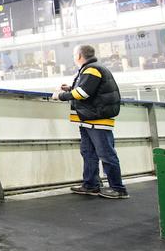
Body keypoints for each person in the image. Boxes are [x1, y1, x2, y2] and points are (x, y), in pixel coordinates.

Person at [52, 44, 129, 199]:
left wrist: (59, 96)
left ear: (79, 56)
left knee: (106, 154)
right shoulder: (91, 69)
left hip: (97, 119)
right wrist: (70, 88)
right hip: (89, 119)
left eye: (74, 54)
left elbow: (83, 93)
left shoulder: (92, 69)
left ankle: (118, 189)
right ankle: (91, 185)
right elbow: (88, 89)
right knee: (89, 153)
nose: (74, 57)